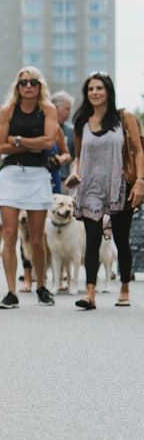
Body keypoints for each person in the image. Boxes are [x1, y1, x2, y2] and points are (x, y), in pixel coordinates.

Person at [65, 72, 144, 309]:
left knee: (121, 238)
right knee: (92, 239)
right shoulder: (81, 121)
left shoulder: (124, 118)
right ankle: (90, 293)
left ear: (108, 91)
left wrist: (140, 181)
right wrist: (74, 172)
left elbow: (139, 151)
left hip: (119, 184)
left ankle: (124, 288)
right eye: (90, 89)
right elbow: (79, 156)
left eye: (99, 88)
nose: (95, 93)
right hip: (90, 187)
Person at [0, 66, 58, 309]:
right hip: (10, 174)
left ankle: (41, 286)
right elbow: (0, 147)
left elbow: (49, 142)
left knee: (37, 239)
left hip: (38, 175)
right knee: (9, 235)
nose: (28, 86)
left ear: (40, 86)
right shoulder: (8, 110)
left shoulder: (48, 109)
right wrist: (32, 145)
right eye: (23, 82)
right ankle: (11, 291)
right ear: (17, 87)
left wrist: (17, 140)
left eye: (33, 82)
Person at [51, 91, 76, 188]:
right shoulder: (41, 127)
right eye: (67, 109)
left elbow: (75, 158)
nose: (69, 113)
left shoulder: (71, 131)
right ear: (56, 108)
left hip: (64, 182)